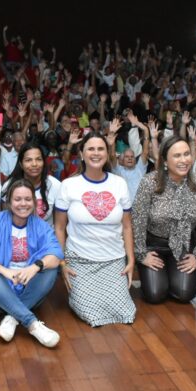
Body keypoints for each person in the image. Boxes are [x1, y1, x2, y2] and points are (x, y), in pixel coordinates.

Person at [54, 131, 135, 327]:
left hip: (113, 259)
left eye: (101, 149)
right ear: (81, 153)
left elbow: (126, 225)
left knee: (125, 313)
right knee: (90, 313)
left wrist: (130, 259)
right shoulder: (68, 185)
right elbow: (59, 227)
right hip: (80, 260)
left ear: (108, 153)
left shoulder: (119, 184)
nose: (96, 153)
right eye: (91, 148)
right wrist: (62, 263)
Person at [0, 179, 63, 347]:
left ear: (34, 202)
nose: (23, 204)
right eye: (17, 199)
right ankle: (32, 323)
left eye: (28, 199)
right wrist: (5, 272)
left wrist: (35, 266)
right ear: (9, 202)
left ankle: (12, 318)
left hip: (28, 292)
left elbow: (56, 255)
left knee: (50, 270)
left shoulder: (41, 226)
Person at [131, 136, 196, 304]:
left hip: (183, 244)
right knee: (155, 295)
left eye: (186, 154)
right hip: (154, 245)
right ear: (165, 160)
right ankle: (152, 276)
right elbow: (137, 220)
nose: (184, 160)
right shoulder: (149, 182)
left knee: (184, 294)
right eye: (177, 156)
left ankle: (170, 274)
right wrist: (142, 254)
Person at [2, 142, 61, 225]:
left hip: (47, 236)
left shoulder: (55, 185)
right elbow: (5, 222)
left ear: (44, 162)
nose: (34, 164)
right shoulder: (9, 186)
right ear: (21, 164)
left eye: (38, 159)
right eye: (28, 160)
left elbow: (59, 225)